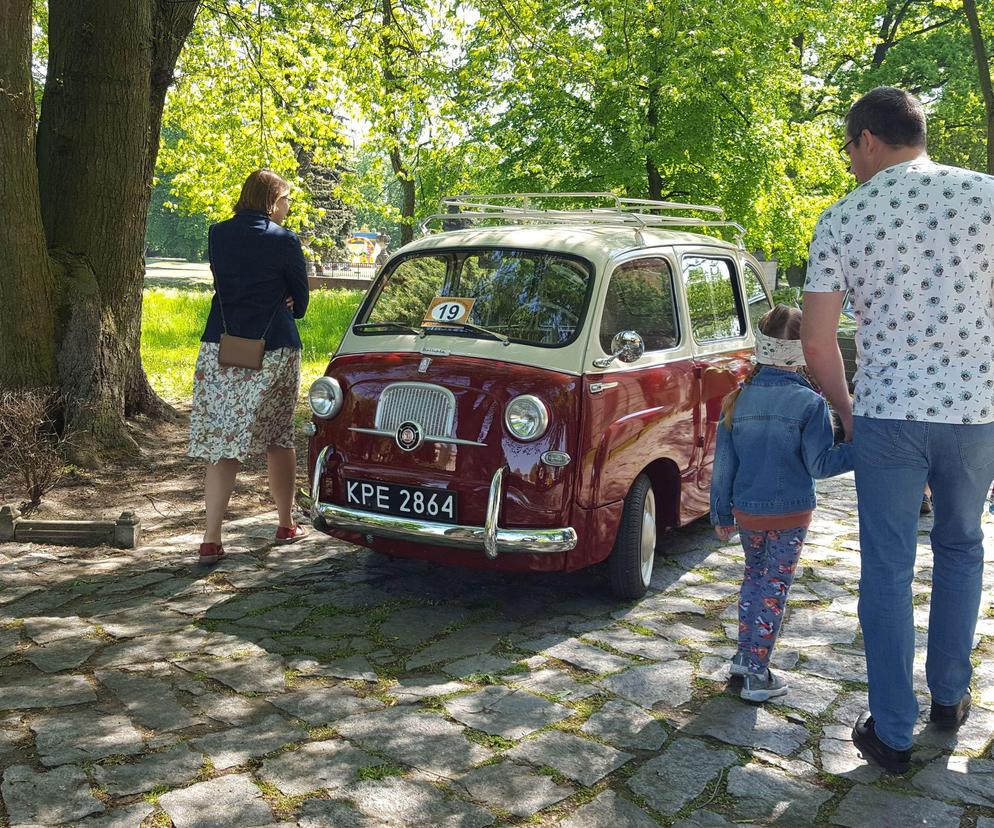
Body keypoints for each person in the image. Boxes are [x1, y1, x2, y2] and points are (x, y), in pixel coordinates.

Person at [802, 87, 994, 773]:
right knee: (962, 548)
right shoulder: (988, 198)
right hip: (974, 415)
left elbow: (818, 344)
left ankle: (893, 731)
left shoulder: (844, 217)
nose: (850, 162)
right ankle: (950, 698)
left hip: (887, 411)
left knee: (886, 567)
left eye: (849, 149)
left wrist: (849, 412)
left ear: (869, 140)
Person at [711, 305, 854, 703]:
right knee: (775, 587)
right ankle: (758, 675)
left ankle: (745, 656)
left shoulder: (738, 398)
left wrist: (721, 513)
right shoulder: (809, 404)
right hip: (790, 514)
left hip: (747, 512)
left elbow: (723, 465)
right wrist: (859, 449)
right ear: (803, 351)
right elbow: (821, 464)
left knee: (754, 579)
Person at [188, 169, 311, 564]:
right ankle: (285, 523)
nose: (289, 208)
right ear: (274, 200)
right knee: (279, 436)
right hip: (274, 347)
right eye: (287, 200)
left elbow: (227, 284)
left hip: (222, 347)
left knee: (224, 442)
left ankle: (211, 538)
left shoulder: (217, 234)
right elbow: (302, 302)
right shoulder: (285, 240)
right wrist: (289, 300)